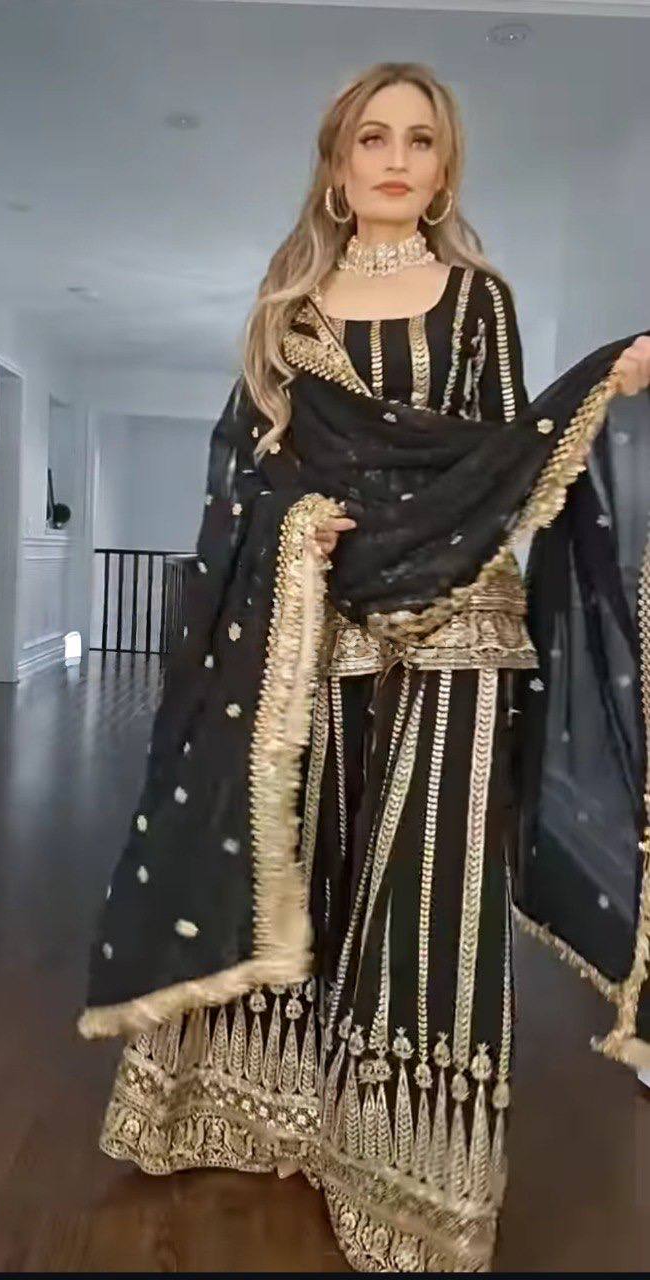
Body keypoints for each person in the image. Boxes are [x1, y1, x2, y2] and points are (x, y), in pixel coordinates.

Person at [77, 63, 650, 1272]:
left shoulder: (478, 302)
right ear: (336, 165)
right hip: (315, 626)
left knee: (428, 889)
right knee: (306, 862)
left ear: (445, 166)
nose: (396, 159)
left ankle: (403, 1172)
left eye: (420, 140)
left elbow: (498, 457)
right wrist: (296, 525)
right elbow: (244, 476)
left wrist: (595, 386)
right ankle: (266, 1105)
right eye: (372, 138)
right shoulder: (289, 313)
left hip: (458, 624)